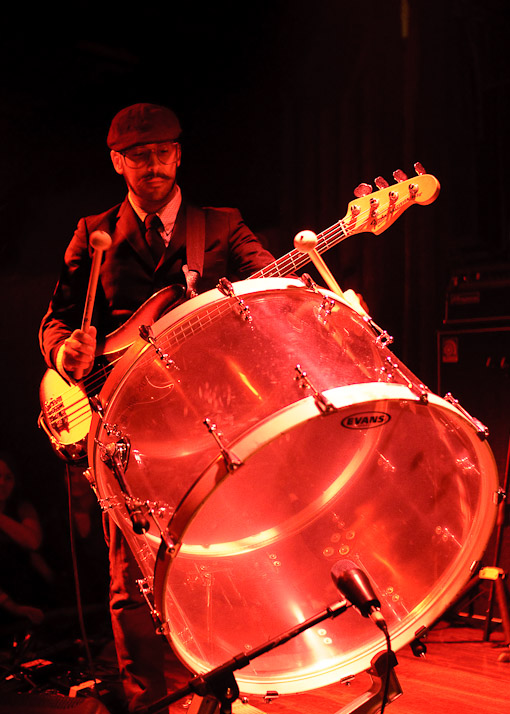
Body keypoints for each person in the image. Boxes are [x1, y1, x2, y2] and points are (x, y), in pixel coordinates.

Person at [39, 102, 275, 713]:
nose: (154, 164)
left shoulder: (221, 226)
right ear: (118, 162)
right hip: (121, 423)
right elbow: (57, 320)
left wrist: (298, 278)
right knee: (131, 578)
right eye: (139, 155)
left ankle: (222, 692)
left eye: (164, 152)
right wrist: (66, 353)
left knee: (222, 558)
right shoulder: (93, 232)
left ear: (179, 154)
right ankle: (147, 702)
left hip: (209, 421)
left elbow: (270, 286)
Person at [0, 452, 53, 637]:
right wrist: (13, 607)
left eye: (7, 477)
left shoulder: (22, 507)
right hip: (6, 607)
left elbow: (33, 541)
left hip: (31, 597)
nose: (2, 483)